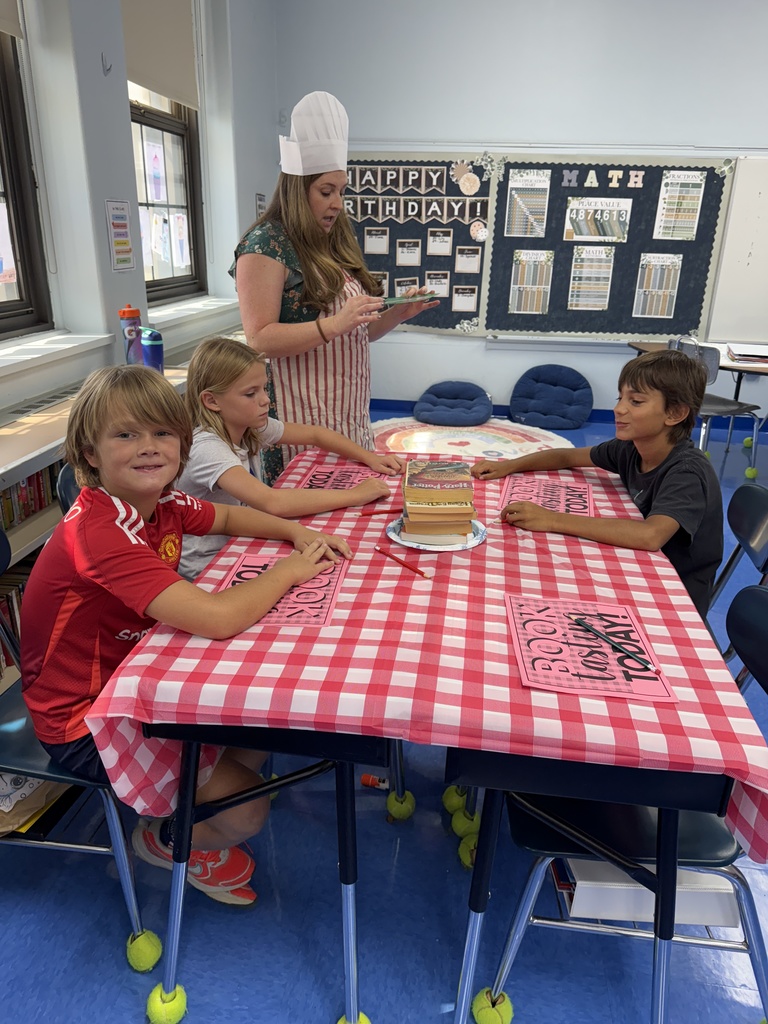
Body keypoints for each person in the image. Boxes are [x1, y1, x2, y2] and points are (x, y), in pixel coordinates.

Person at [20, 365, 352, 906]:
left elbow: (224, 517)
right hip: (83, 719)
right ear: (89, 453)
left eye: (163, 433)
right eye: (126, 434)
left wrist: (295, 531)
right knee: (247, 809)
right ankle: (165, 839)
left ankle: (192, 801)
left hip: (140, 674)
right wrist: (291, 569)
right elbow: (218, 618)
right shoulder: (100, 532)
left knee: (256, 726)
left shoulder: (161, 504)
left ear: (183, 443)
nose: (149, 448)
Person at [230, 91, 438, 478]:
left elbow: (358, 333)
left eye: (341, 191)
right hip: (299, 417)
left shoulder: (333, 240)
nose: (337, 203)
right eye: (326, 192)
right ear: (297, 188)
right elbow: (259, 337)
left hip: (348, 416)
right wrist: (333, 324)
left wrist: (398, 312)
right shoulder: (266, 244)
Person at [472, 349, 723, 617]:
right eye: (620, 397)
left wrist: (551, 519)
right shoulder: (631, 448)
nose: (619, 409)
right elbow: (567, 455)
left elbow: (650, 535)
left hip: (674, 596)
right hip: (634, 569)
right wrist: (507, 466)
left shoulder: (687, 472)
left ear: (674, 413)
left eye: (635, 401)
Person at [178, 336, 402, 580]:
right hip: (208, 566)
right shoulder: (207, 449)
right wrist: (356, 495)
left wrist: (369, 457)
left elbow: (316, 434)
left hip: (242, 538)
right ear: (212, 401)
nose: (265, 399)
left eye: (264, 388)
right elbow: (274, 503)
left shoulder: (249, 426)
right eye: (251, 393)